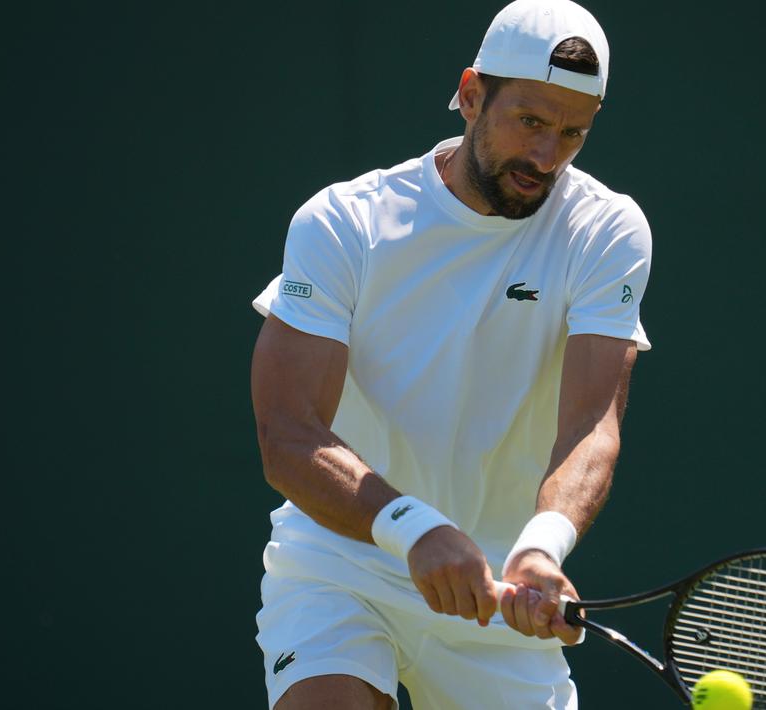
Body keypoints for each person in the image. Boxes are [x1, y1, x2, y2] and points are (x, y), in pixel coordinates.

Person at [249, 1, 651, 707]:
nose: (547, 156)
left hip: (498, 593)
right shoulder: (345, 222)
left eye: (572, 133)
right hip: (345, 562)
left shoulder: (606, 230)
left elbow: (593, 428)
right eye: (530, 121)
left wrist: (542, 545)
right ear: (470, 95)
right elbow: (288, 435)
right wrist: (414, 529)